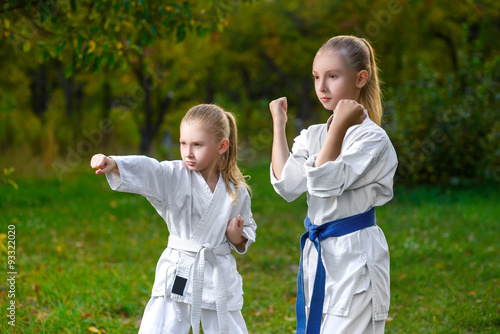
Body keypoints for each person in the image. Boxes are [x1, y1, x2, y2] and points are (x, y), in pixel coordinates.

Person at [269, 35, 398, 334]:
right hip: (321, 252)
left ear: (360, 78)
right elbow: (287, 185)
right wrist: (279, 124)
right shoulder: (314, 134)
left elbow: (324, 184)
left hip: (356, 254)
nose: (322, 87)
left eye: (333, 76)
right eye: (316, 77)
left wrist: (339, 126)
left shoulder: (372, 139)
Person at [90, 104, 256, 334]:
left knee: (225, 325)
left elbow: (245, 232)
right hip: (180, 267)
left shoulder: (236, 192)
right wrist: (116, 164)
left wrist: (236, 237)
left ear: (222, 146)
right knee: (162, 325)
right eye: (183, 143)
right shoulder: (173, 176)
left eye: (197, 144)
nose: (188, 152)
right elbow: (151, 170)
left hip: (217, 272)